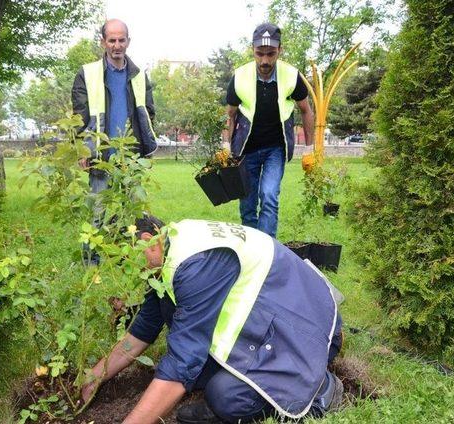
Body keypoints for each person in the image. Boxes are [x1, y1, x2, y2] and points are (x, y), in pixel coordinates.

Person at [81, 216, 344, 423]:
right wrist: (95, 376)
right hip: (274, 314)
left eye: (126, 261)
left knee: (226, 397)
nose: (129, 271)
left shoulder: (195, 265)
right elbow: (143, 329)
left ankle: (321, 387)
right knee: (192, 367)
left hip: (303, 330)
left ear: (149, 241)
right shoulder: (171, 251)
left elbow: (183, 362)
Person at [226, 23, 315, 238]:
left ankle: (267, 252)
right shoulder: (239, 76)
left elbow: (306, 109)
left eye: (271, 54)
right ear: (252, 50)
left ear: (280, 50)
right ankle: (251, 251)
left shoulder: (292, 75)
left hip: (275, 149)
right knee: (248, 205)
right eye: (260, 54)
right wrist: (226, 147)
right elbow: (230, 114)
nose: (265, 61)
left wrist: (309, 147)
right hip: (246, 151)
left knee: (269, 196)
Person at [72, 18, 157, 194]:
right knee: (98, 215)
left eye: (121, 40)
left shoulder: (139, 76)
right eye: (112, 40)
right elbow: (79, 115)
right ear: (103, 42)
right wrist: (82, 150)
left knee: (133, 216)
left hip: (132, 158)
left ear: (128, 41)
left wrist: (148, 149)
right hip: (100, 156)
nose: (117, 45)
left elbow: (148, 114)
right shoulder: (86, 74)